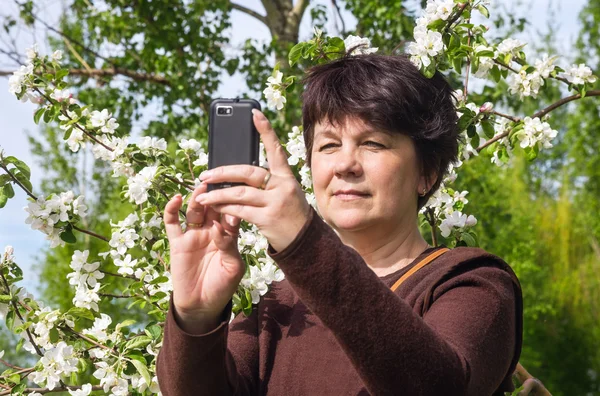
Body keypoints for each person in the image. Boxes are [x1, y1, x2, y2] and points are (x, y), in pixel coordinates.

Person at [156, 54, 523, 396]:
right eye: (328, 146)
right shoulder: (277, 305)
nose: (345, 164)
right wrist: (196, 317)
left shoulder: (472, 282)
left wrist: (304, 244)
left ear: (426, 173)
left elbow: (440, 387)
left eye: (374, 143)